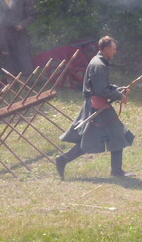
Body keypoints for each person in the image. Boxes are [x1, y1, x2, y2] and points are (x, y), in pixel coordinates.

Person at [56, 36, 135, 179]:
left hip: (99, 105)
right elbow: (101, 91)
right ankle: (63, 159)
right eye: (113, 49)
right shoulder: (99, 65)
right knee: (111, 136)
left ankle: (63, 159)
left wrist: (118, 89)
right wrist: (118, 96)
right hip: (97, 106)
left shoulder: (100, 62)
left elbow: (103, 86)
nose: (115, 51)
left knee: (105, 137)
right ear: (105, 49)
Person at [0, 0, 36, 77]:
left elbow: (32, 15)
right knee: (7, 58)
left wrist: (22, 24)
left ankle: (22, 84)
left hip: (19, 33)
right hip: (5, 33)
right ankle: (10, 82)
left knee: (22, 58)